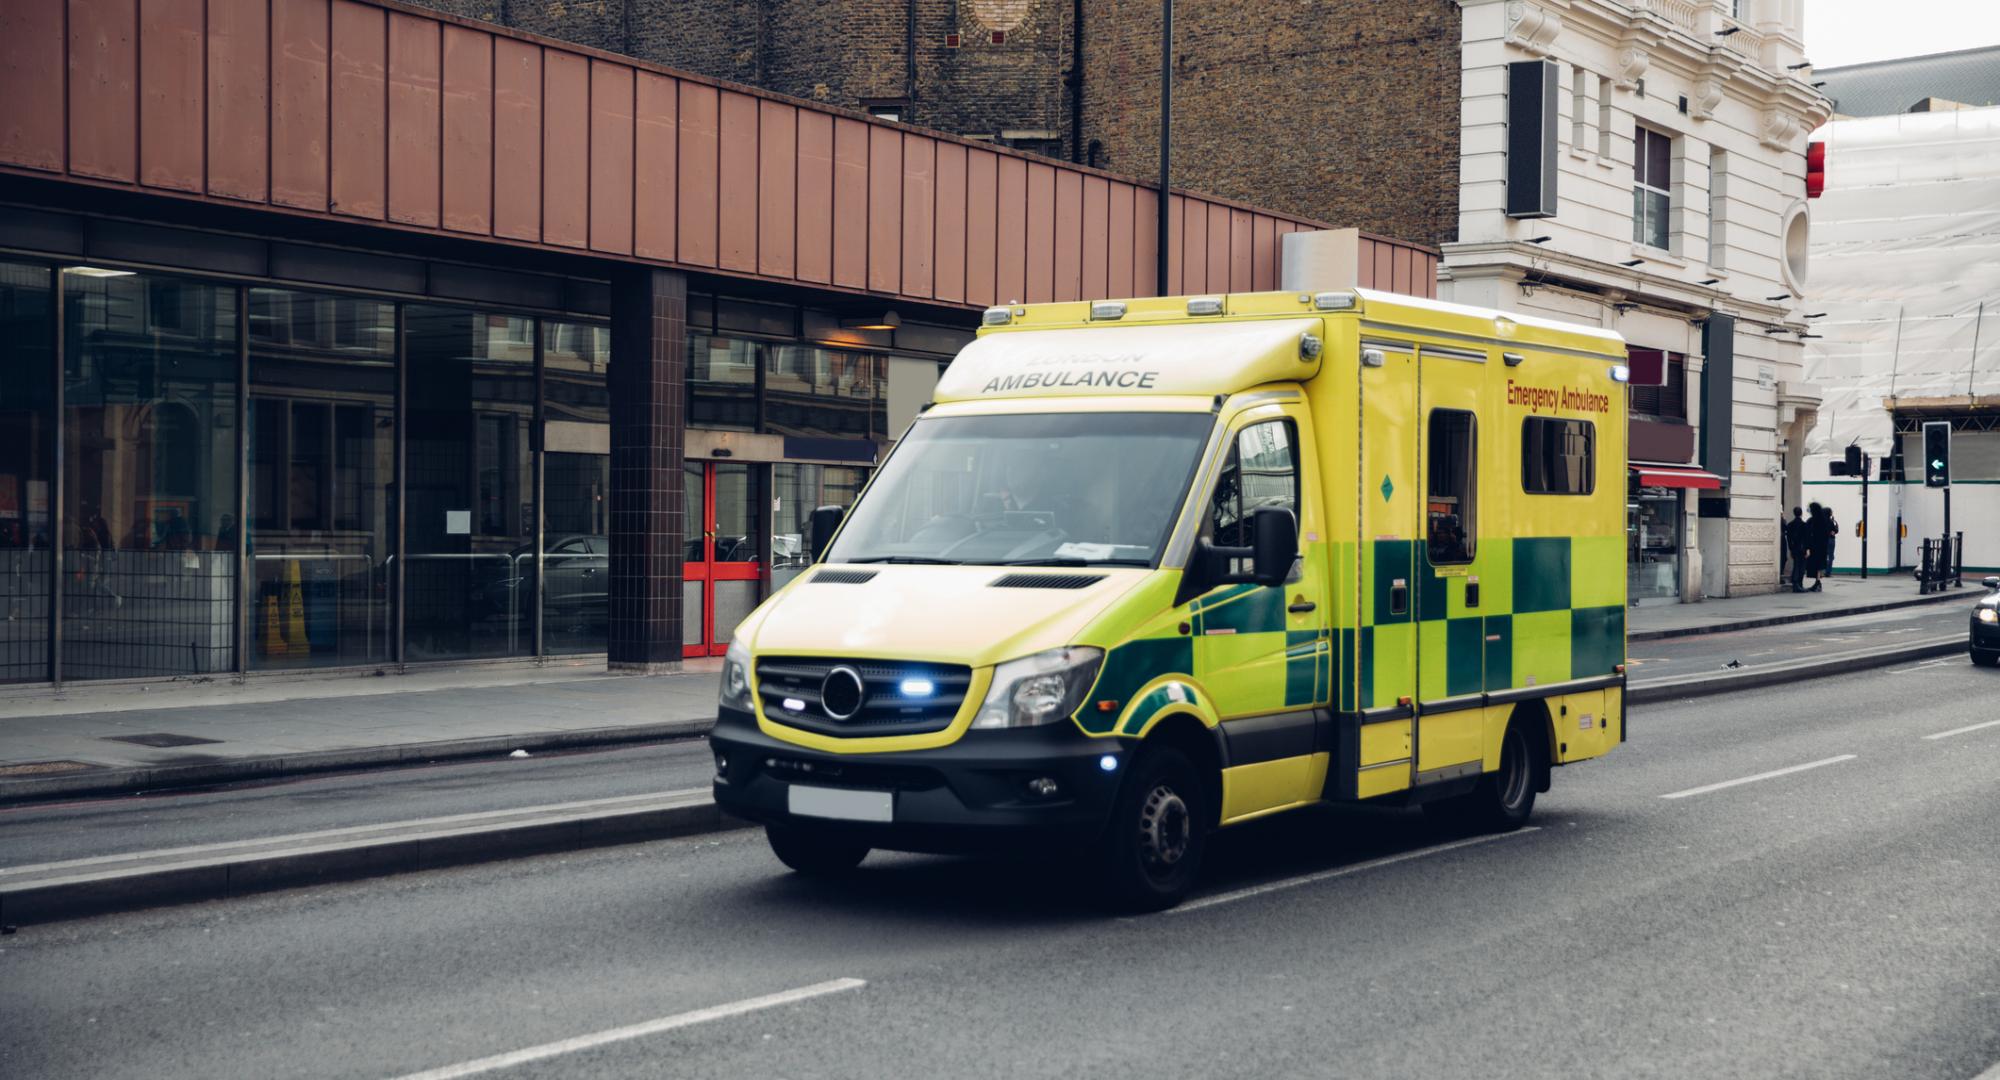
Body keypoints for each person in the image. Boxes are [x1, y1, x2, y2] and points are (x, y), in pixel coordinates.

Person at [1806, 502, 1837, 593]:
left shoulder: (1812, 520)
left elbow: (1808, 532)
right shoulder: (1824, 520)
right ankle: (1818, 581)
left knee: (1814, 564)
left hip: (1814, 546)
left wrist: (1808, 546)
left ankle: (1817, 582)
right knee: (1819, 565)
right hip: (1822, 546)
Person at [1784, 506, 1810, 592]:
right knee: (1801, 567)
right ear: (1801, 513)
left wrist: (1791, 548)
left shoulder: (1790, 525)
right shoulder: (1804, 525)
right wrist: (1807, 549)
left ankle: (1796, 584)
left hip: (1794, 548)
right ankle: (1799, 583)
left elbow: (1789, 538)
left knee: (1796, 565)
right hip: (1802, 549)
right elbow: (1807, 538)